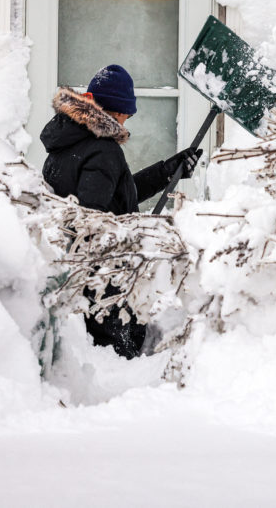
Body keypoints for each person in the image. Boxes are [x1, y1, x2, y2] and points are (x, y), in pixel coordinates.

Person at [40, 64, 201, 358]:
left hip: (74, 276)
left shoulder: (67, 143)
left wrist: (168, 171)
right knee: (119, 362)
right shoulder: (103, 150)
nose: (128, 119)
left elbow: (116, 195)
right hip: (104, 286)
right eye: (126, 112)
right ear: (111, 110)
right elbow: (93, 223)